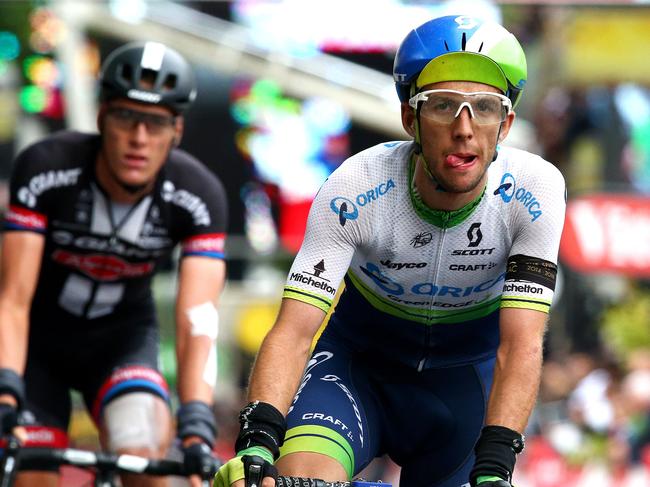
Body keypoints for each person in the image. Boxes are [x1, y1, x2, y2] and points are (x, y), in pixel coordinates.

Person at [215, 14, 566, 487]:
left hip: (461, 391)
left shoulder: (535, 190)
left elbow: (521, 343)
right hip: (356, 372)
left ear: (506, 125)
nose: (465, 128)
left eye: (484, 107)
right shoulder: (356, 185)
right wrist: (258, 440)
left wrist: (497, 464)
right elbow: (295, 330)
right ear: (409, 119)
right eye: (443, 106)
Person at [0, 41, 228, 487]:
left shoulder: (198, 194)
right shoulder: (46, 167)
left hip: (121, 341)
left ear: (177, 129)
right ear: (102, 115)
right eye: (126, 116)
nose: (139, 139)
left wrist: (197, 422)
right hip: (37, 345)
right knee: (34, 477)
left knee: (142, 459)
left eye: (157, 123)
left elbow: (197, 321)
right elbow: (12, 299)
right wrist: (7, 389)